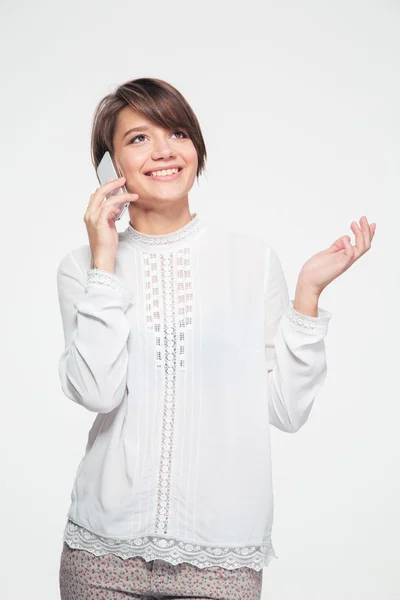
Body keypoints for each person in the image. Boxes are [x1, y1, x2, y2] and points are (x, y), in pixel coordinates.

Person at [56, 77, 376, 600]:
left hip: (221, 560)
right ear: (108, 166)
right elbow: (97, 391)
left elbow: (287, 410)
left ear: (196, 149)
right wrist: (105, 262)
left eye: (177, 132)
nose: (163, 150)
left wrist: (308, 295)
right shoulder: (83, 269)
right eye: (138, 138)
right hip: (101, 555)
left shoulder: (251, 260)